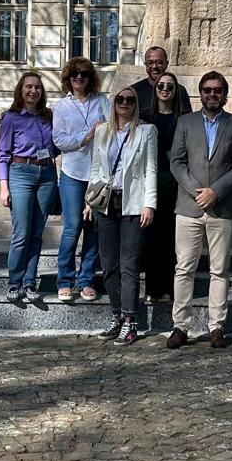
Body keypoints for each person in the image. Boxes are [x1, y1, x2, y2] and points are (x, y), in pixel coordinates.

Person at [166, 70, 232, 350]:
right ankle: (180, 326)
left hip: (222, 207)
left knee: (220, 270)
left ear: (224, 94)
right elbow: (177, 162)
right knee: (184, 268)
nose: (212, 94)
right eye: (207, 90)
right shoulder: (185, 122)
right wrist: (198, 192)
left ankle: (217, 326)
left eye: (217, 90)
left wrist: (216, 192)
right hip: (189, 207)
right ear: (200, 94)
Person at [87, 87, 158, 344]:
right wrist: (90, 201)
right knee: (108, 265)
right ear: (114, 102)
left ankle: (130, 320)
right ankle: (116, 315)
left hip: (133, 203)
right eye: (120, 99)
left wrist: (149, 204)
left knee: (129, 265)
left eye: (130, 100)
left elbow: (151, 169)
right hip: (106, 203)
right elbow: (96, 168)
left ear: (136, 104)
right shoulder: (102, 132)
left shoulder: (146, 131)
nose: (125, 103)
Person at [0, 71, 58, 302]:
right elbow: (2, 154)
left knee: (36, 233)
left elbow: (57, 146)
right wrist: (4, 187)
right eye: (29, 86)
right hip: (21, 174)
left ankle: (30, 283)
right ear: (21, 90)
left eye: (38, 87)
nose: (33, 91)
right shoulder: (11, 118)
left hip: (47, 175)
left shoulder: (48, 117)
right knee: (21, 232)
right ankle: (14, 283)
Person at [51, 57, 110, 303]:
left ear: (90, 78)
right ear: (68, 77)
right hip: (73, 173)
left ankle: (86, 280)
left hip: (97, 175)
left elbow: (114, 129)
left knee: (93, 228)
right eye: (74, 74)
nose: (79, 78)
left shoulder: (102, 101)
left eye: (84, 74)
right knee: (73, 227)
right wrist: (86, 137)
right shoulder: (62, 106)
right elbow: (59, 140)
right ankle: (65, 280)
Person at [140, 70, 189, 307]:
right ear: (155, 90)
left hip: (177, 184)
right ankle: (153, 287)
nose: (165, 90)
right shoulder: (144, 117)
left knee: (171, 239)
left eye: (170, 86)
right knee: (151, 238)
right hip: (151, 183)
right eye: (161, 86)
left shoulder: (185, 118)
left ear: (176, 90)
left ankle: (168, 288)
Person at [129, 45, 192, 116]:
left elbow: (187, 119)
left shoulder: (179, 90)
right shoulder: (134, 91)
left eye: (159, 62)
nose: (154, 66)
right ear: (145, 64)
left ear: (166, 63)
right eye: (150, 63)